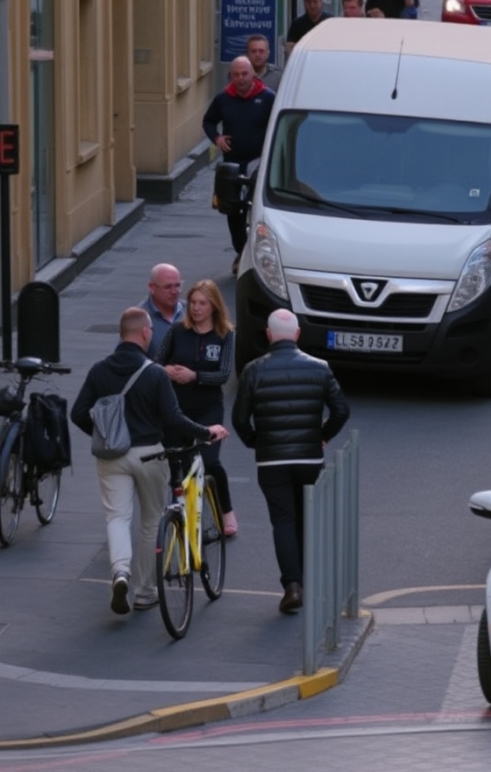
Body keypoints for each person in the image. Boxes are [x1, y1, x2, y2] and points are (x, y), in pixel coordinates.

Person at [71, 308, 228, 616]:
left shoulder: (99, 370)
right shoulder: (154, 372)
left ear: (120, 334)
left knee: (117, 517)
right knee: (150, 522)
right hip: (150, 454)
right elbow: (173, 418)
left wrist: (102, 433)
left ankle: (120, 573)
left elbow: (78, 412)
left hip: (111, 456)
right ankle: (145, 591)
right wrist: (205, 432)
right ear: (145, 333)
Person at [232, 309, 350, 614]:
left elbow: (239, 419)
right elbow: (341, 410)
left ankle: (292, 586)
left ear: (269, 335)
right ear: (297, 334)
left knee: (283, 521)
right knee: (307, 518)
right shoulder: (320, 368)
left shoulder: (253, 370)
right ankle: (308, 580)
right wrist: (322, 436)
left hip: (272, 461)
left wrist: (256, 442)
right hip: (309, 457)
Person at [155, 280, 239, 536]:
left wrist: (195, 376)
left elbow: (224, 374)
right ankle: (180, 512)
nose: (196, 308)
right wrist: (166, 371)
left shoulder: (225, 335)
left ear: (214, 306)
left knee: (210, 461)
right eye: (192, 303)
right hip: (177, 408)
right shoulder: (178, 331)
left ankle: (226, 511)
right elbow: (156, 362)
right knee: (175, 460)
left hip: (207, 408)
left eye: (202, 303)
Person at [202, 56, 276, 275]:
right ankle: (241, 252)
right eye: (236, 75)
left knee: (257, 211)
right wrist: (217, 138)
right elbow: (208, 121)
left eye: (245, 74)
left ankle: (256, 254)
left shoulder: (268, 98)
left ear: (253, 73)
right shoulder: (223, 99)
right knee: (232, 210)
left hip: (259, 165)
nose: (241, 79)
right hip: (232, 165)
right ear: (231, 76)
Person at [141, 263, 185, 356]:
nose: (174, 292)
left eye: (177, 285)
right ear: (152, 287)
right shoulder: (138, 317)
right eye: (167, 287)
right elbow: (126, 359)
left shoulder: (192, 311)